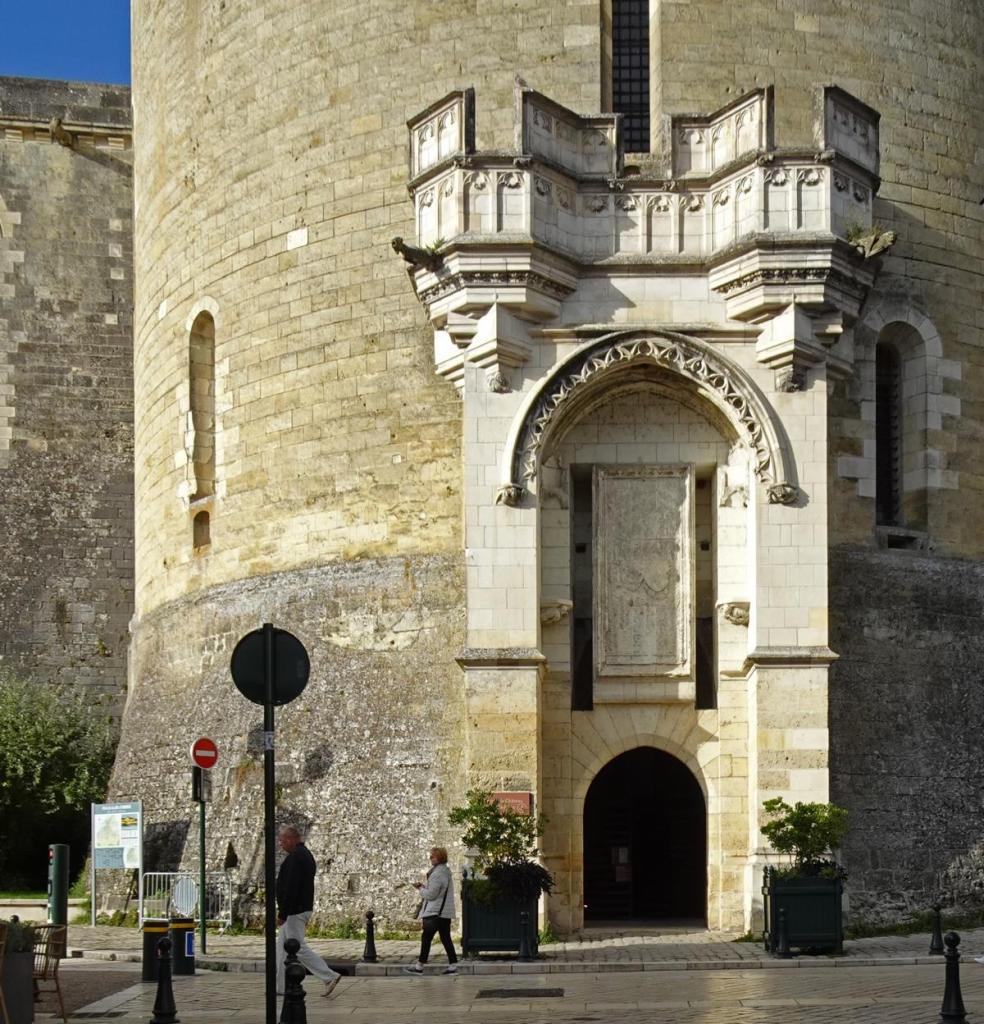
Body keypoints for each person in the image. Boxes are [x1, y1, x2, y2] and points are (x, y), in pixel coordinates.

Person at [275, 826, 341, 997]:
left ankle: (329, 976)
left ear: (290, 839)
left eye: (282, 841)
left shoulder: (296, 858)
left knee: (296, 947)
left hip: (295, 910)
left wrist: (283, 913)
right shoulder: (303, 855)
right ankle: (280, 986)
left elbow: (291, 887)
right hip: (298, 908)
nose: (280, 844)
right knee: (282, 949)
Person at [404, 846, 458, 975]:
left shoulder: (437, 873)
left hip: (434, 912)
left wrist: (420, 889)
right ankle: (453, 966)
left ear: (438, 858)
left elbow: (431, 895)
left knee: (426, 938)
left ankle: (419, 967)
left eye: (432, 856)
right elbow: (436, 891)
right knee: (445, 938)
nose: (430, 859)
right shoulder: (445, 871)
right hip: (443, 912)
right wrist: (424, 886)